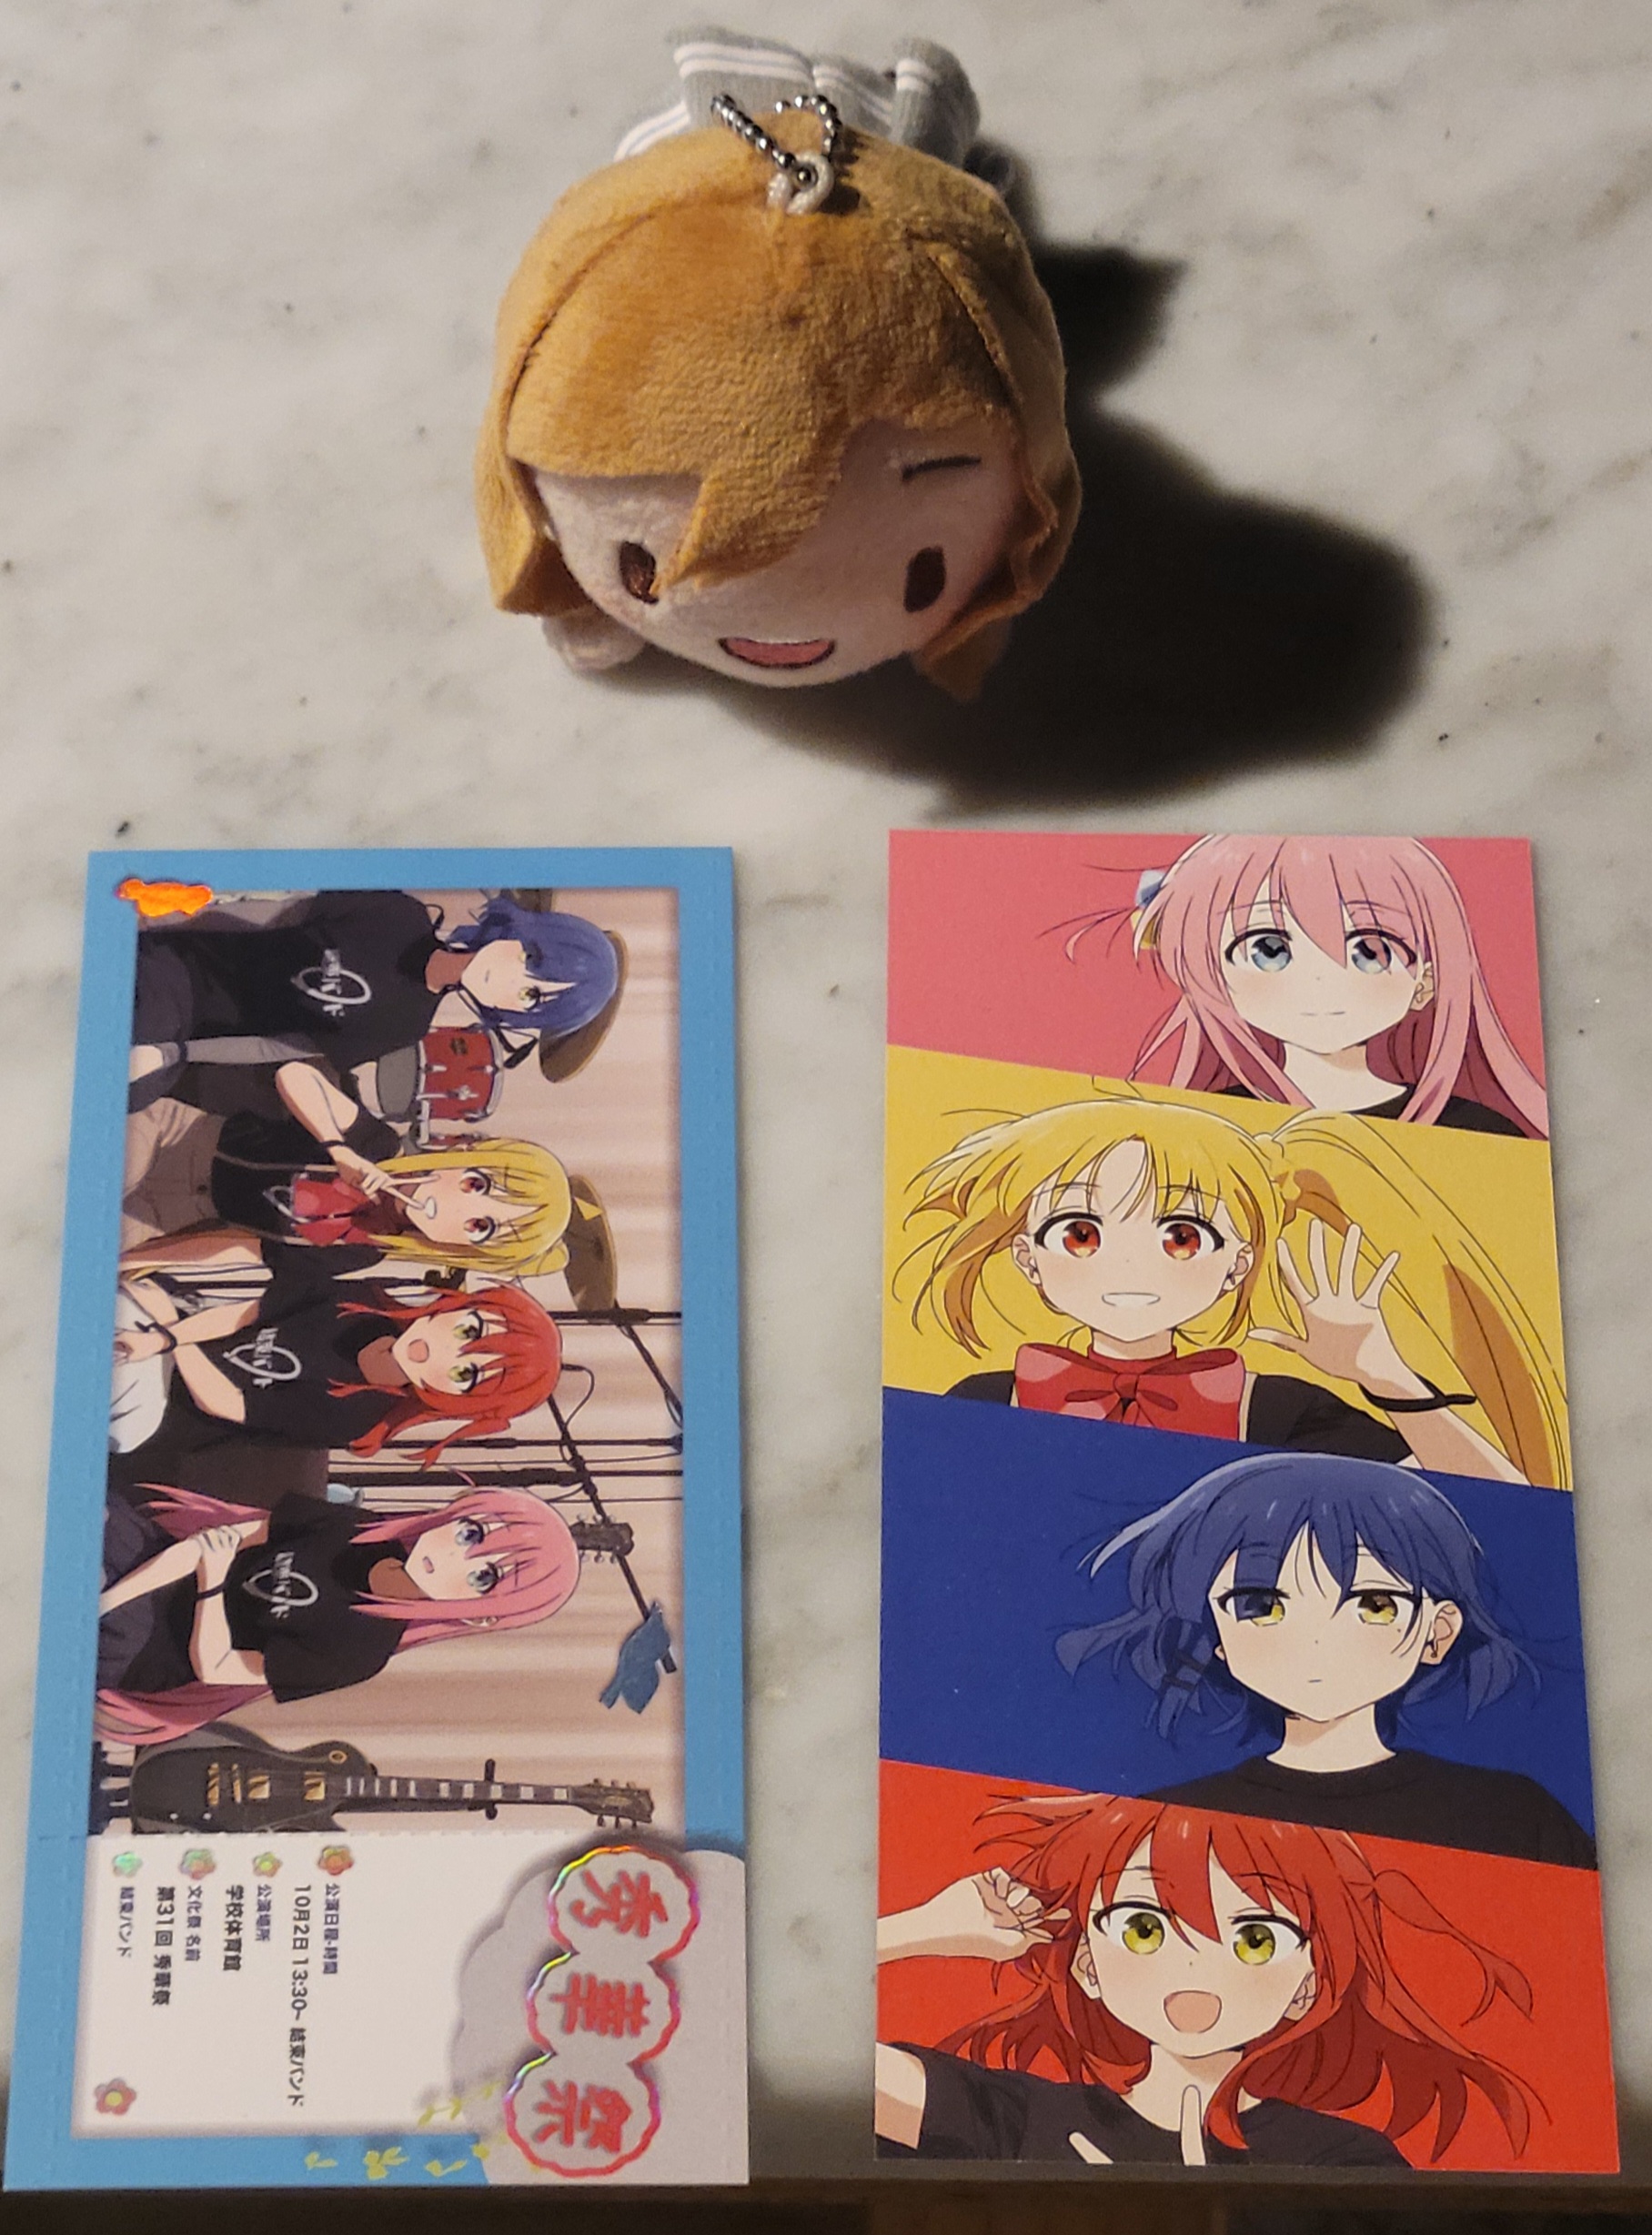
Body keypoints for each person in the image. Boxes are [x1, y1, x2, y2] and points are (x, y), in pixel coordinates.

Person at [903, 1092, 1568, 1487]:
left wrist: (1384, 1373)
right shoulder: (985, 1402)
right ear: (1027, 1258)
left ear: (1237, 1263)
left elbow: (1507, 1508)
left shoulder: (1276, 1411)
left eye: (1181, 1236)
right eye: (1081, 1233)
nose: (1130, 1266)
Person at [875, 1793, 1535, 2166]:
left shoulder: (1343, 2160)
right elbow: (812, 2066)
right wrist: (926, 1928)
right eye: (1144, 1928)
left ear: (1308, 1985)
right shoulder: (1018, 2120)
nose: (1194, 1964)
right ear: (1087, 1965)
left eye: (1254, 1938)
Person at [1058, 1451, 1594, 1867]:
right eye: (1261, 1605)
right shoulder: (1163, 1823)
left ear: (1438, 1631)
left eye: (1374, 1604)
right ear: (1214, 1633)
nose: (1315, 1642)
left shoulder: (1511, 1818)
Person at [1068, 836, 1546, 1134]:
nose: (1320, 981)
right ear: (1211, 974)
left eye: (1370, 952)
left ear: (1425, 979)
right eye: (1268, 950)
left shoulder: (1476, 1132)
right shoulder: (1202, 1128)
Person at [96, 1485, 580, 1745]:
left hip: (157, 1646)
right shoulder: (357, 1528)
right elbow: (209, 1545)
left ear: (479, 1617)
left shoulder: (361, 1654)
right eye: (471, 1534)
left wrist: (213, 1580)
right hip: (159, 1561)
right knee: (97, 1511)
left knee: (104, 1628)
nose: (457, 1556)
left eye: (483, 1578)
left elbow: (214, 1666)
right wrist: (115, 1597)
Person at [128, 890, 620, 1120]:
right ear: (523, 932)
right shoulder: (397, 914)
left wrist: (178, 1055)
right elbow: (263, 915)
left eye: (530, 996)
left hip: (185, 1034)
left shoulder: (403, 1029)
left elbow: (272, 1048)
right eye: (531, 959)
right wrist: (153, 922)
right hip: (180, 964)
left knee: (135, 1089)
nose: (515, 980)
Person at [108, 1248, 560, 1462]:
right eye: (468, 1329)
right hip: (171, 1339)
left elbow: (226, 1404)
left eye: (464, 1373)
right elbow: (244, 1315)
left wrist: (170, 1341)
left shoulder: (358, 1418)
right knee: (131, 1300)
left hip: (161, 1411)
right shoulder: (365, 1301)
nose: (443, 1350)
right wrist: (169, 1332)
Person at [120, 1110, 581, 1280]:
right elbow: (296, 1077)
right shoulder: (379, 1145)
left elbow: (241, 1247)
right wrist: (341, 1151)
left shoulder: (363, 1252)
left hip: (174, 1214)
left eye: (480, 1226)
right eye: (476, 1185)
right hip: (179, 1138)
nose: (462, 1206)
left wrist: (134, 1261)